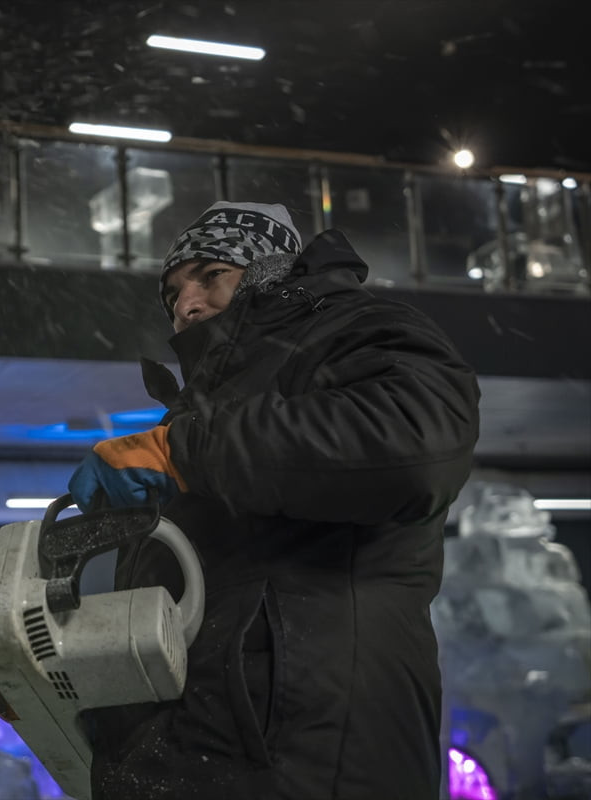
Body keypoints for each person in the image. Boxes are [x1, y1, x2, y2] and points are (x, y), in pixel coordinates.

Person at [68, 201, 481, 799]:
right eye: (173, 295)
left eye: (210, 275)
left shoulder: (354, 330)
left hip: (312, 757)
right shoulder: (198, 415)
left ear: (272, 270)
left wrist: (183, 452)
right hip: (198, 764)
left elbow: (415, 447)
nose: (186, 304)